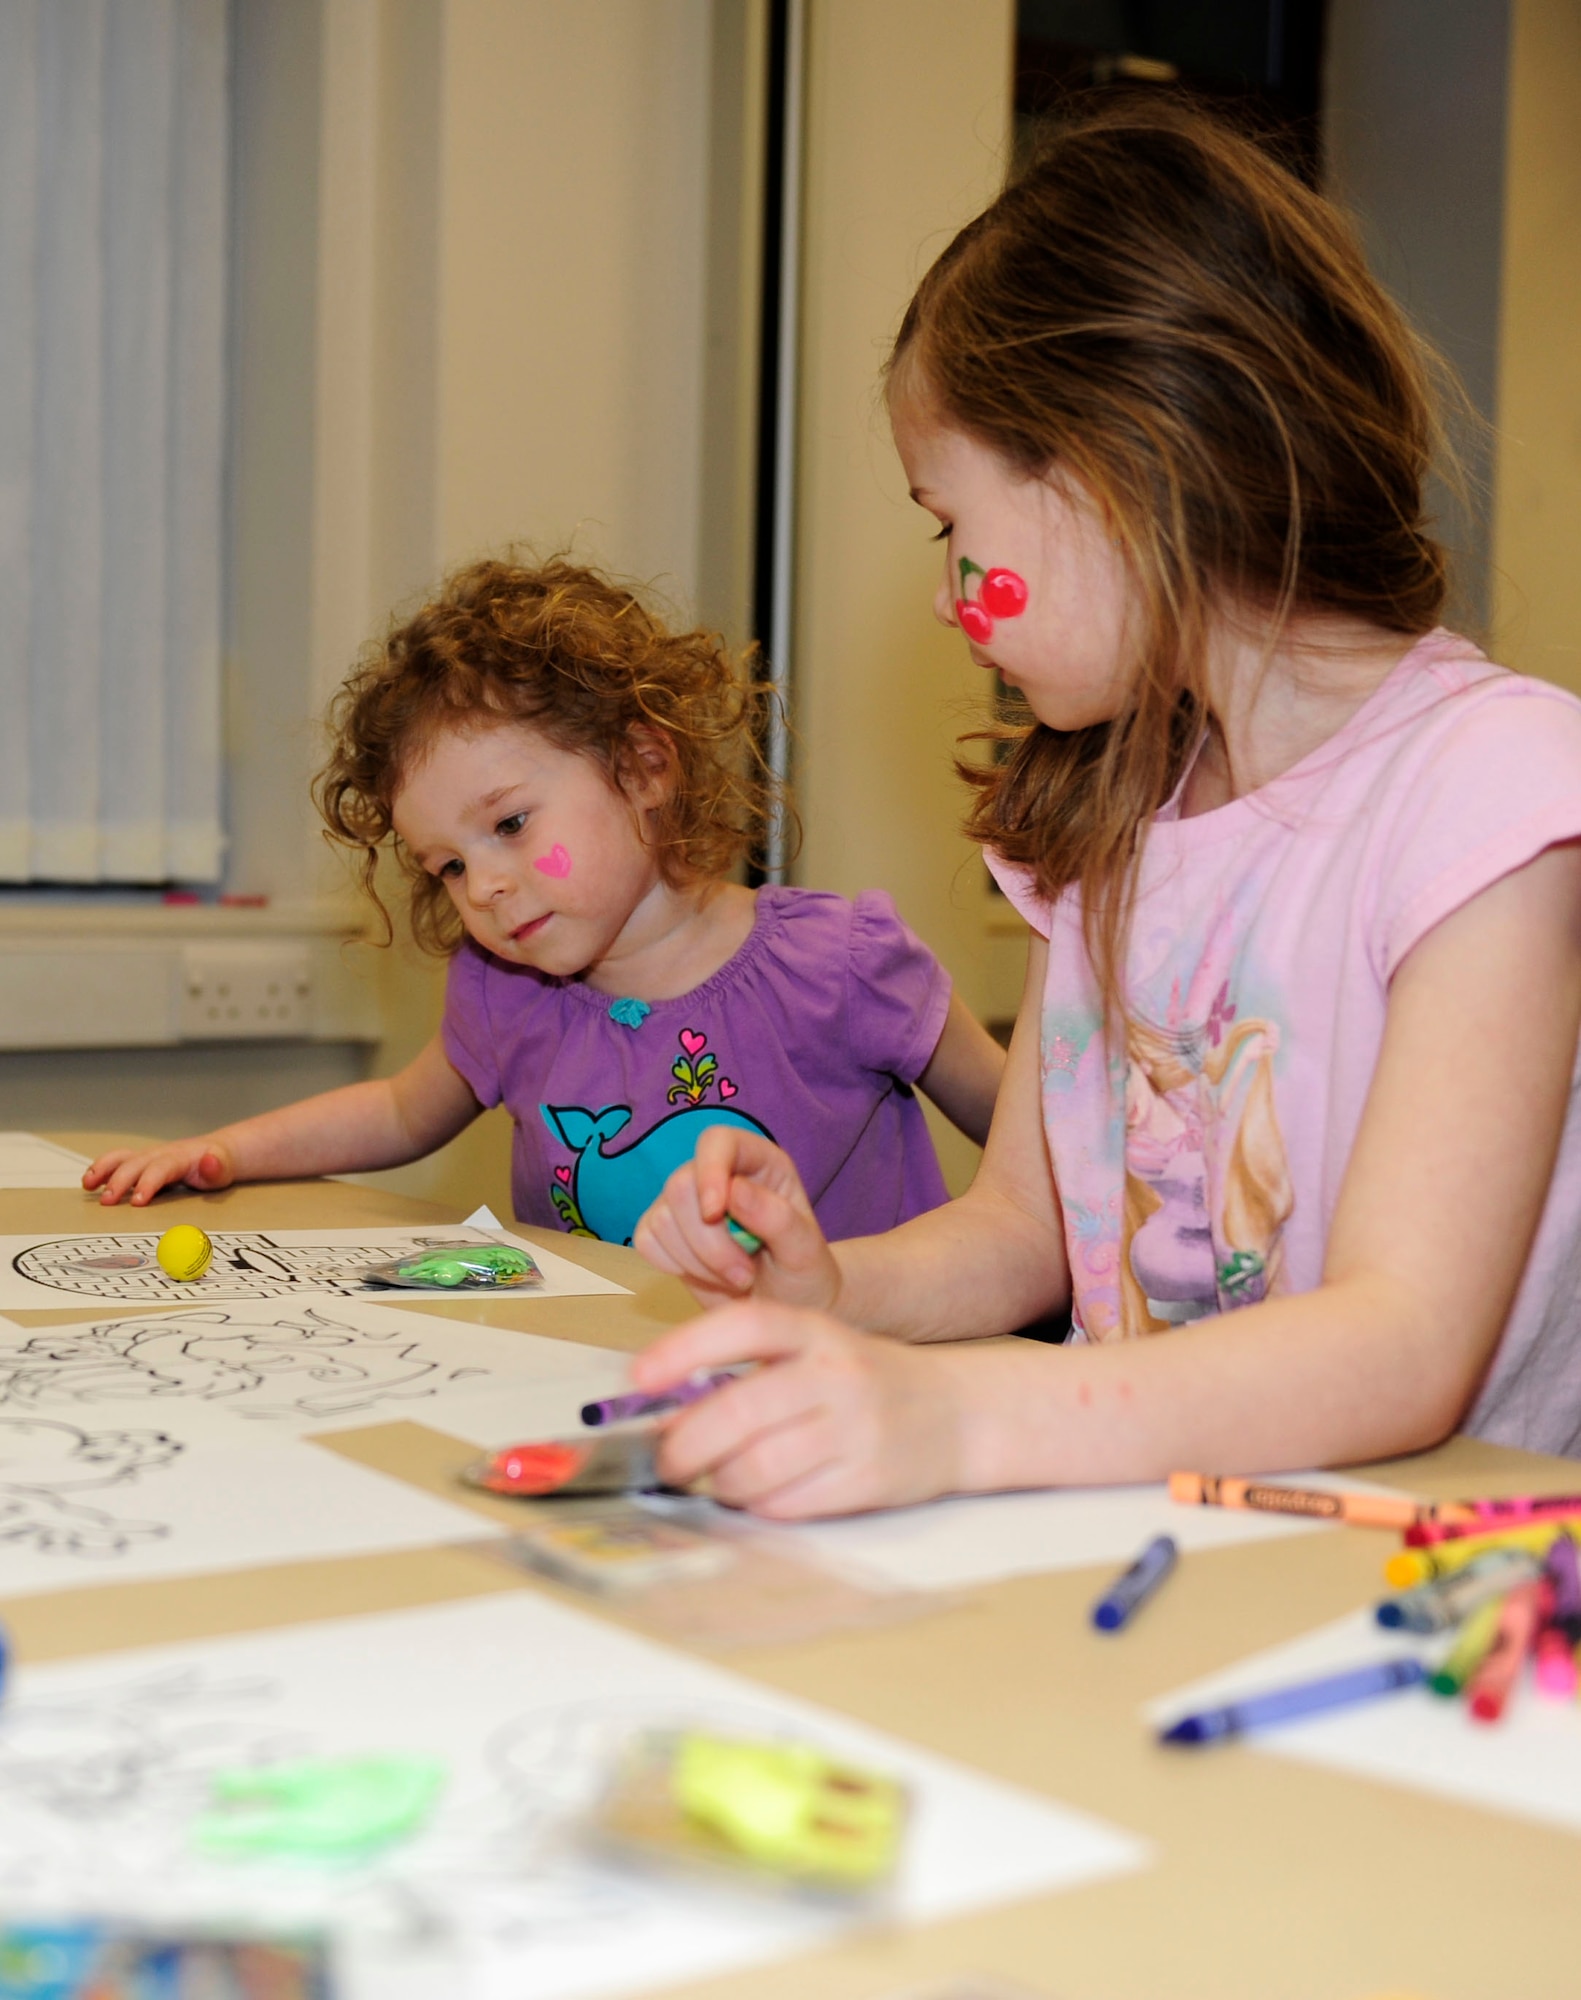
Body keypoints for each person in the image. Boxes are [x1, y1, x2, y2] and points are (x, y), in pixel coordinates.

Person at [631, 97, 1581, 1518]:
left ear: (1123, 465)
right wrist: (838, 1290)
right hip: (1143, 1536)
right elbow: (1028, 1226)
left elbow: (1405, 1346)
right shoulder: (1114, 812)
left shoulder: (1496, 793)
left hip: (1419, 1589)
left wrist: (959, 1417)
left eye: (955, 525)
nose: (953, 594)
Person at [84, 559, 1004, 1239]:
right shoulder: (504, 990)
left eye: (511, 825)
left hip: (859, 1392)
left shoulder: (841, 964)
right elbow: (401, 1114)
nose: (480, 885)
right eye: (445, 865)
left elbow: (1035, 1145)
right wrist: (225, 1153)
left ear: (643, 767)